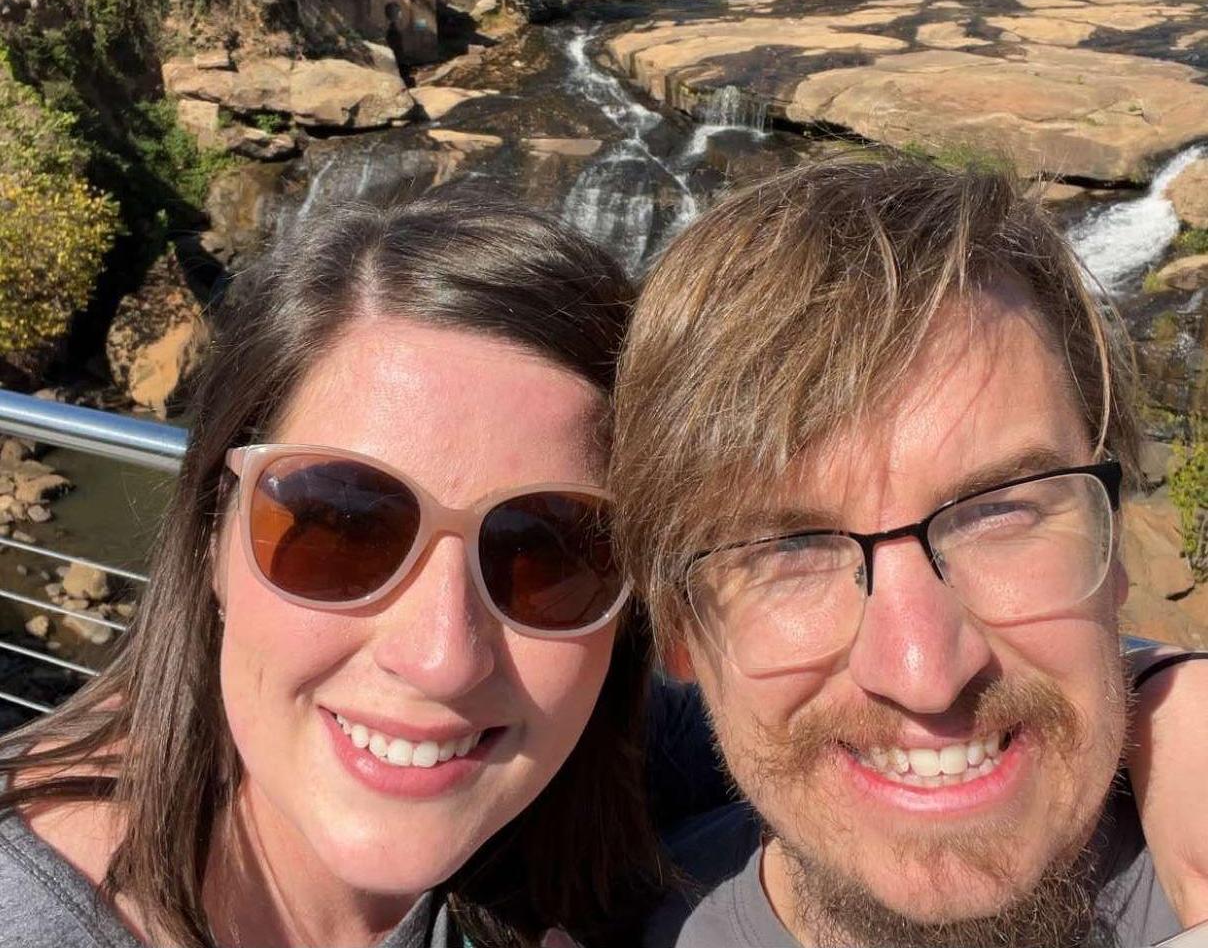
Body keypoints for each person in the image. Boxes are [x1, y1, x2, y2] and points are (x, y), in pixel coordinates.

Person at [0, 188, 661, 948]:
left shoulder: (640, 800)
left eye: (546, 553)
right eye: (346, 528)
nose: (442, 660)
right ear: (215, 537)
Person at [613, 153, 1208, 947]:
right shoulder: (615, 920)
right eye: (790, 549)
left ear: (1114, 546)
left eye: (999, 512)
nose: (925, 674)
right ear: (682, 631)